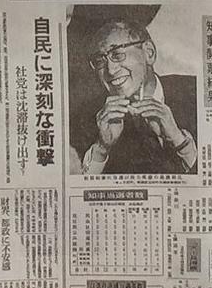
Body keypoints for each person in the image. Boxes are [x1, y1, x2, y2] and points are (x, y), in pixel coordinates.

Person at [73, 18, 198, 175]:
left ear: (149, 53)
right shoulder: (86, 119)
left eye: (117, 54)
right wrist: (102, 148)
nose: (110, 70)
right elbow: (79, 184)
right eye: (99, 61)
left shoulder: (194, 92)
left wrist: (179, 140)